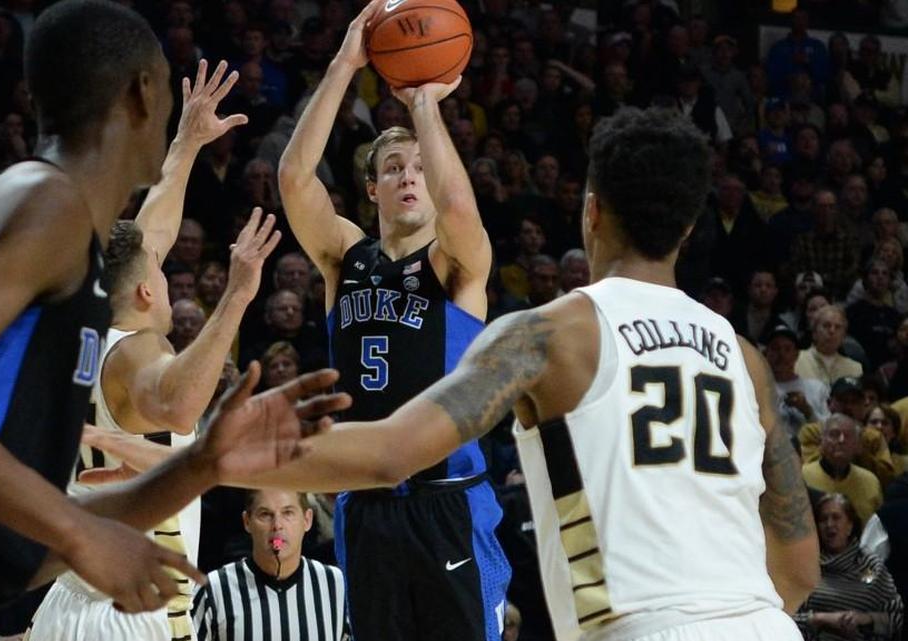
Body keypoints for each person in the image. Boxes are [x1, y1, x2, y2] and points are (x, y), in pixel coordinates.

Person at [0, 4, 348, 639]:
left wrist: (200, 466)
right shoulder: (44, 203)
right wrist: (79, 531)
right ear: (140, 91)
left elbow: (143, 243)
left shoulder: (77, 253)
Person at [231, 107, 821, 640]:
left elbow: (390, 455)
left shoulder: (547, 335)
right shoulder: (744, 355)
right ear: (692, 225)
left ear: (590, 211)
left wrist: (205, 460)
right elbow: (799, 571)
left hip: (630, 622)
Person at [276, 3, 507, 639]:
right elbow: (294, 178)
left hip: (448, 499)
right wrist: (345, 64)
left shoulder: (459, 264)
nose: (409, 177)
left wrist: (425, 106)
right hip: (365, 504)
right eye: (393, 169)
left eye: (419, 169)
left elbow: (460, 204)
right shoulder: (343, 259)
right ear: (372, 189)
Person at [29, 60, 275, 641]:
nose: (166, 277)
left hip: (70, 601)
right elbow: (180, 408)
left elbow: (150, 236)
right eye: (160, 276)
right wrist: (236, 297)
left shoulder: (80, 330)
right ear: (144, 291)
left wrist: (187, 144)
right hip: (126, 614)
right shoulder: (136, 352)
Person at [192, 489, 347, 641]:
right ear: (247, 522)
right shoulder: (213, 590)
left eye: (288, 513)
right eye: (265, 514)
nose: (277, 525)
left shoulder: (336, 585)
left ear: (307, 520)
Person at [794, 494, 903, 639]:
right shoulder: (806, 567)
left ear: (850, 526)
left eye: (836, 517)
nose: (829, 525)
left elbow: (898, 619)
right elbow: (785, 618)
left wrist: (867, 619)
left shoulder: (871, 566)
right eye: (823, 519)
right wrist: (818, 618)